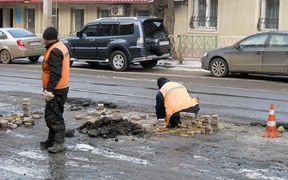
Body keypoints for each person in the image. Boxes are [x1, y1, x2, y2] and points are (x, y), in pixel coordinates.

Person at [40, 27, 70, 153]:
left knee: (55, 118)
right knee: (50, 115)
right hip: (62, 88)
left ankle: (59, 143)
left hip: (56, 90)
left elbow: (55, 73)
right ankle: (51, 140)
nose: (43, 41)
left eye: (44, 38)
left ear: (47, 39)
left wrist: (50, 90)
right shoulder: (62, 46)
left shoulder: (54, 51)